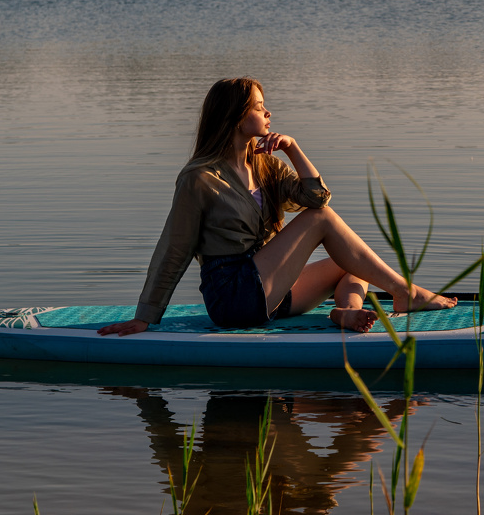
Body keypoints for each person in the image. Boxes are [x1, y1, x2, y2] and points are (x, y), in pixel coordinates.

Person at [98, 77, 454, 337]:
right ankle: (404, 291)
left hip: (272, 289)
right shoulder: (199, 178)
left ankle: (346, 312)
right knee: (322, 222)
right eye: (258, 106)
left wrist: (294, 148)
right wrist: (147, 315)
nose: (268, 112)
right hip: (233, 295)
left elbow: (318, 197)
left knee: (356, 265)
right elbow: (173, 250)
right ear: (237, 116)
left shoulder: (265, 165)